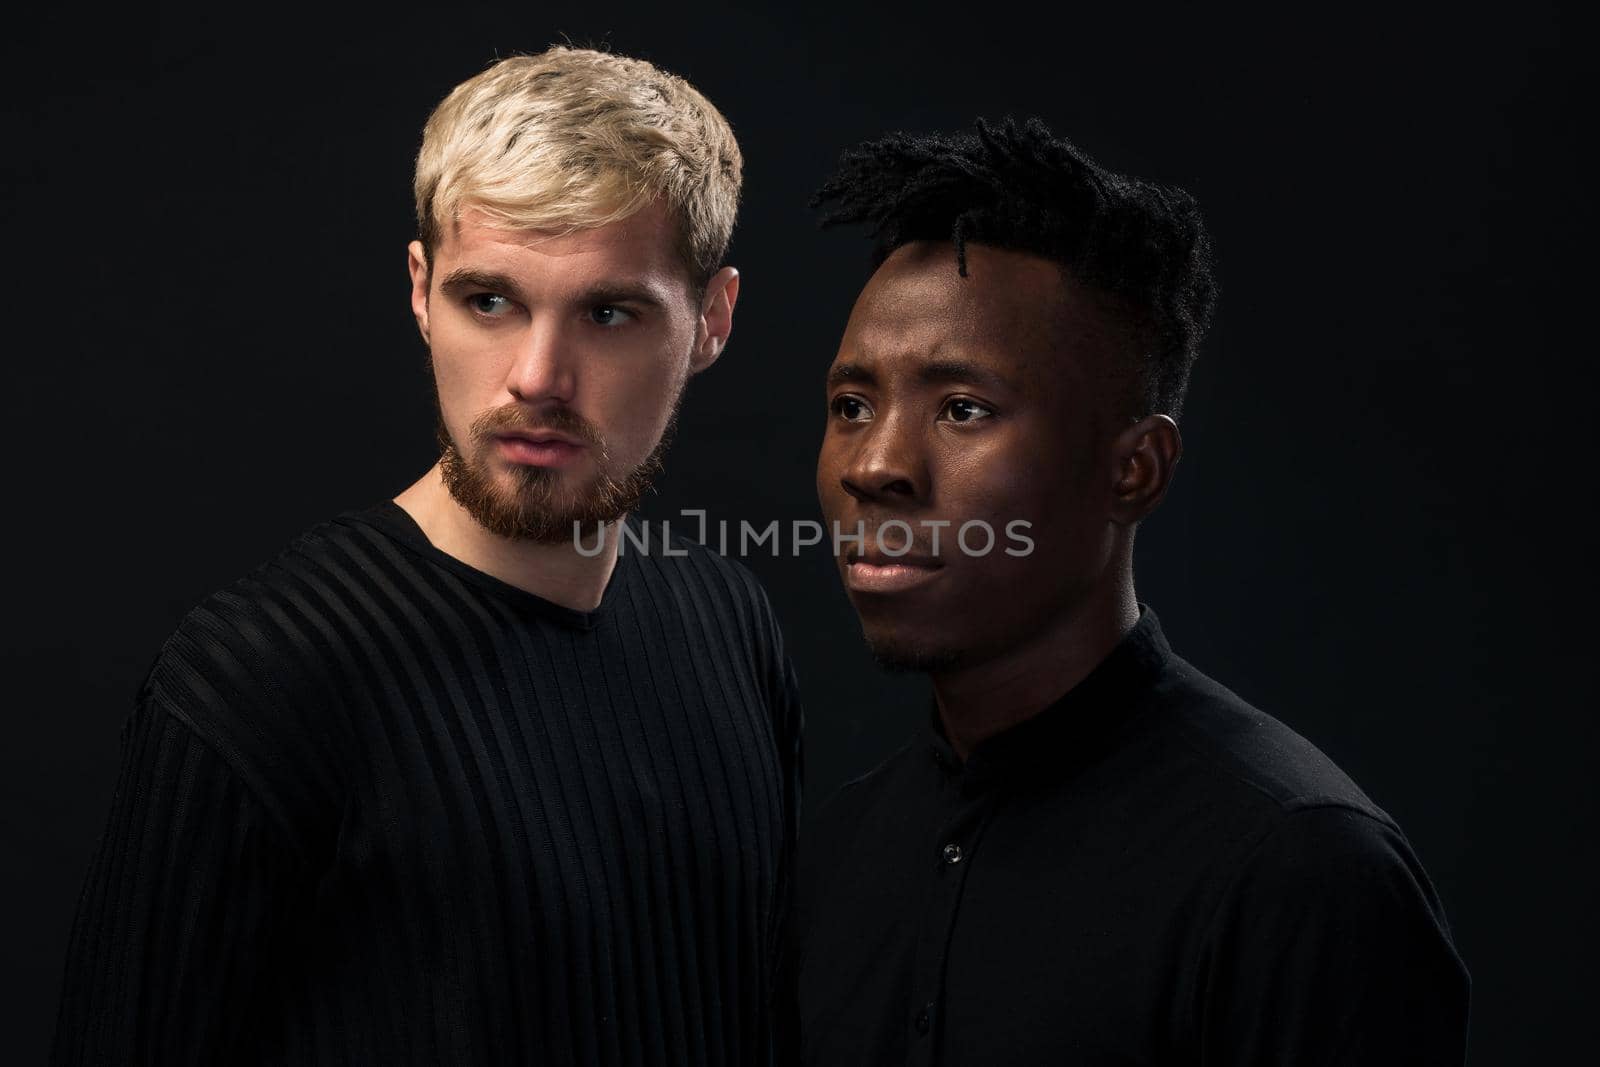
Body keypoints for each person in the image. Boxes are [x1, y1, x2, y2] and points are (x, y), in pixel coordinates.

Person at [52, 47, 803, 1066]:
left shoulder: (731, 627)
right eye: (488, 300)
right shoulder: (259, 677)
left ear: (710, 320)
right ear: (420, 290)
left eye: (609, 311)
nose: (538, 377)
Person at [795, 118, 1468, 1065]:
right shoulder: (837, 857)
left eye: (963, 409)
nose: (874, 465)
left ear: (1136, 470)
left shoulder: (1301, 872)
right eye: (851, 406)